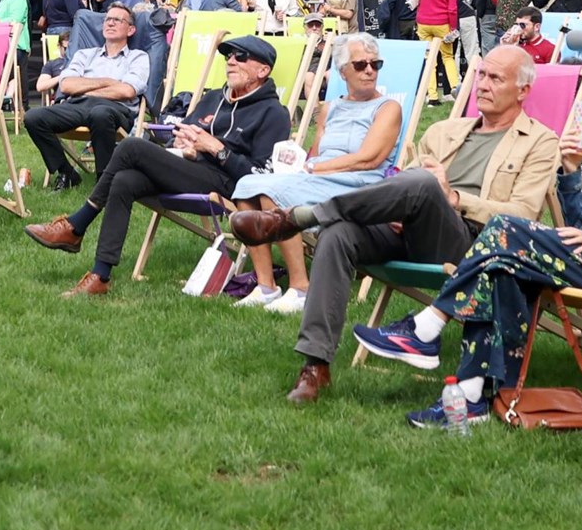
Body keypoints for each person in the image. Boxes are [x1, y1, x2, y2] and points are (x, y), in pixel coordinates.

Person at [352, 60, 582, 426]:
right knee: (502, 269)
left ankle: (428, 325)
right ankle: (472, 397)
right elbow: (576, 222)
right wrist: (571, 170)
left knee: (507, 227)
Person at [224, 45, 559, 405]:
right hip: (410, 226)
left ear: (522, 90)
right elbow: (408, 185)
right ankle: (315, 365)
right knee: (339, 235)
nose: (483, 85)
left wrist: (457, 199)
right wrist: (399, 209)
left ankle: (299, 217)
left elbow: (522, 215)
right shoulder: (446, 130)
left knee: (426, 184)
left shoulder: (540, 142)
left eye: (496, 78)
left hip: (471, 246)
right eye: (481, 75)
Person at [24, 34, 290, 295]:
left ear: (262, 70)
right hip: (188, 167)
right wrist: (184, 144)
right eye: (228, 56)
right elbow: (186, 132)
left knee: (131, 145)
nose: (230, 61)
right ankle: (99, 275)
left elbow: (259, 175)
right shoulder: (214, 98)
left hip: (226, 183)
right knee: (124, 180)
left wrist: (217, 150)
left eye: (240, 57)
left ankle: (76, 225)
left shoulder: (273, 113)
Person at [228, 34, 405, 315]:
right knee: (247, 184)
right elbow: (315, 153)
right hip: (320, 177)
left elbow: (369, 159)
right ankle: (266, 285)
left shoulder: (388, 108)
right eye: (360, 65)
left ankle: (301, 287)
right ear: (343, 70)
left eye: (375, 64)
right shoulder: (330, 108)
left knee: (275, 192)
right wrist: (297, 163)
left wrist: (313, 168)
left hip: (361, 183)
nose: (370, 70)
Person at [23, 2, 150, 192]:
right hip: (78, 105)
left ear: (131, 30)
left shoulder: (138, 57)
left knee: (100, 113)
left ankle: (104, 180)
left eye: (117, 20)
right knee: (33, 117)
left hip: (116, 110)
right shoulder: (85, 54)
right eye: (108, 19)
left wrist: (84, 87)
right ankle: (67, 172)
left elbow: (127, 91)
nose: (110, 23)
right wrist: (108, 81)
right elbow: (66, 85)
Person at [415, 0, 462, 101]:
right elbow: (452, 7)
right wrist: (453, 28)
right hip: (443, 23)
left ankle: (433, 97)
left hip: (423, 21)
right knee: (448, 56)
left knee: (430, 59)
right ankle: (456, 88)